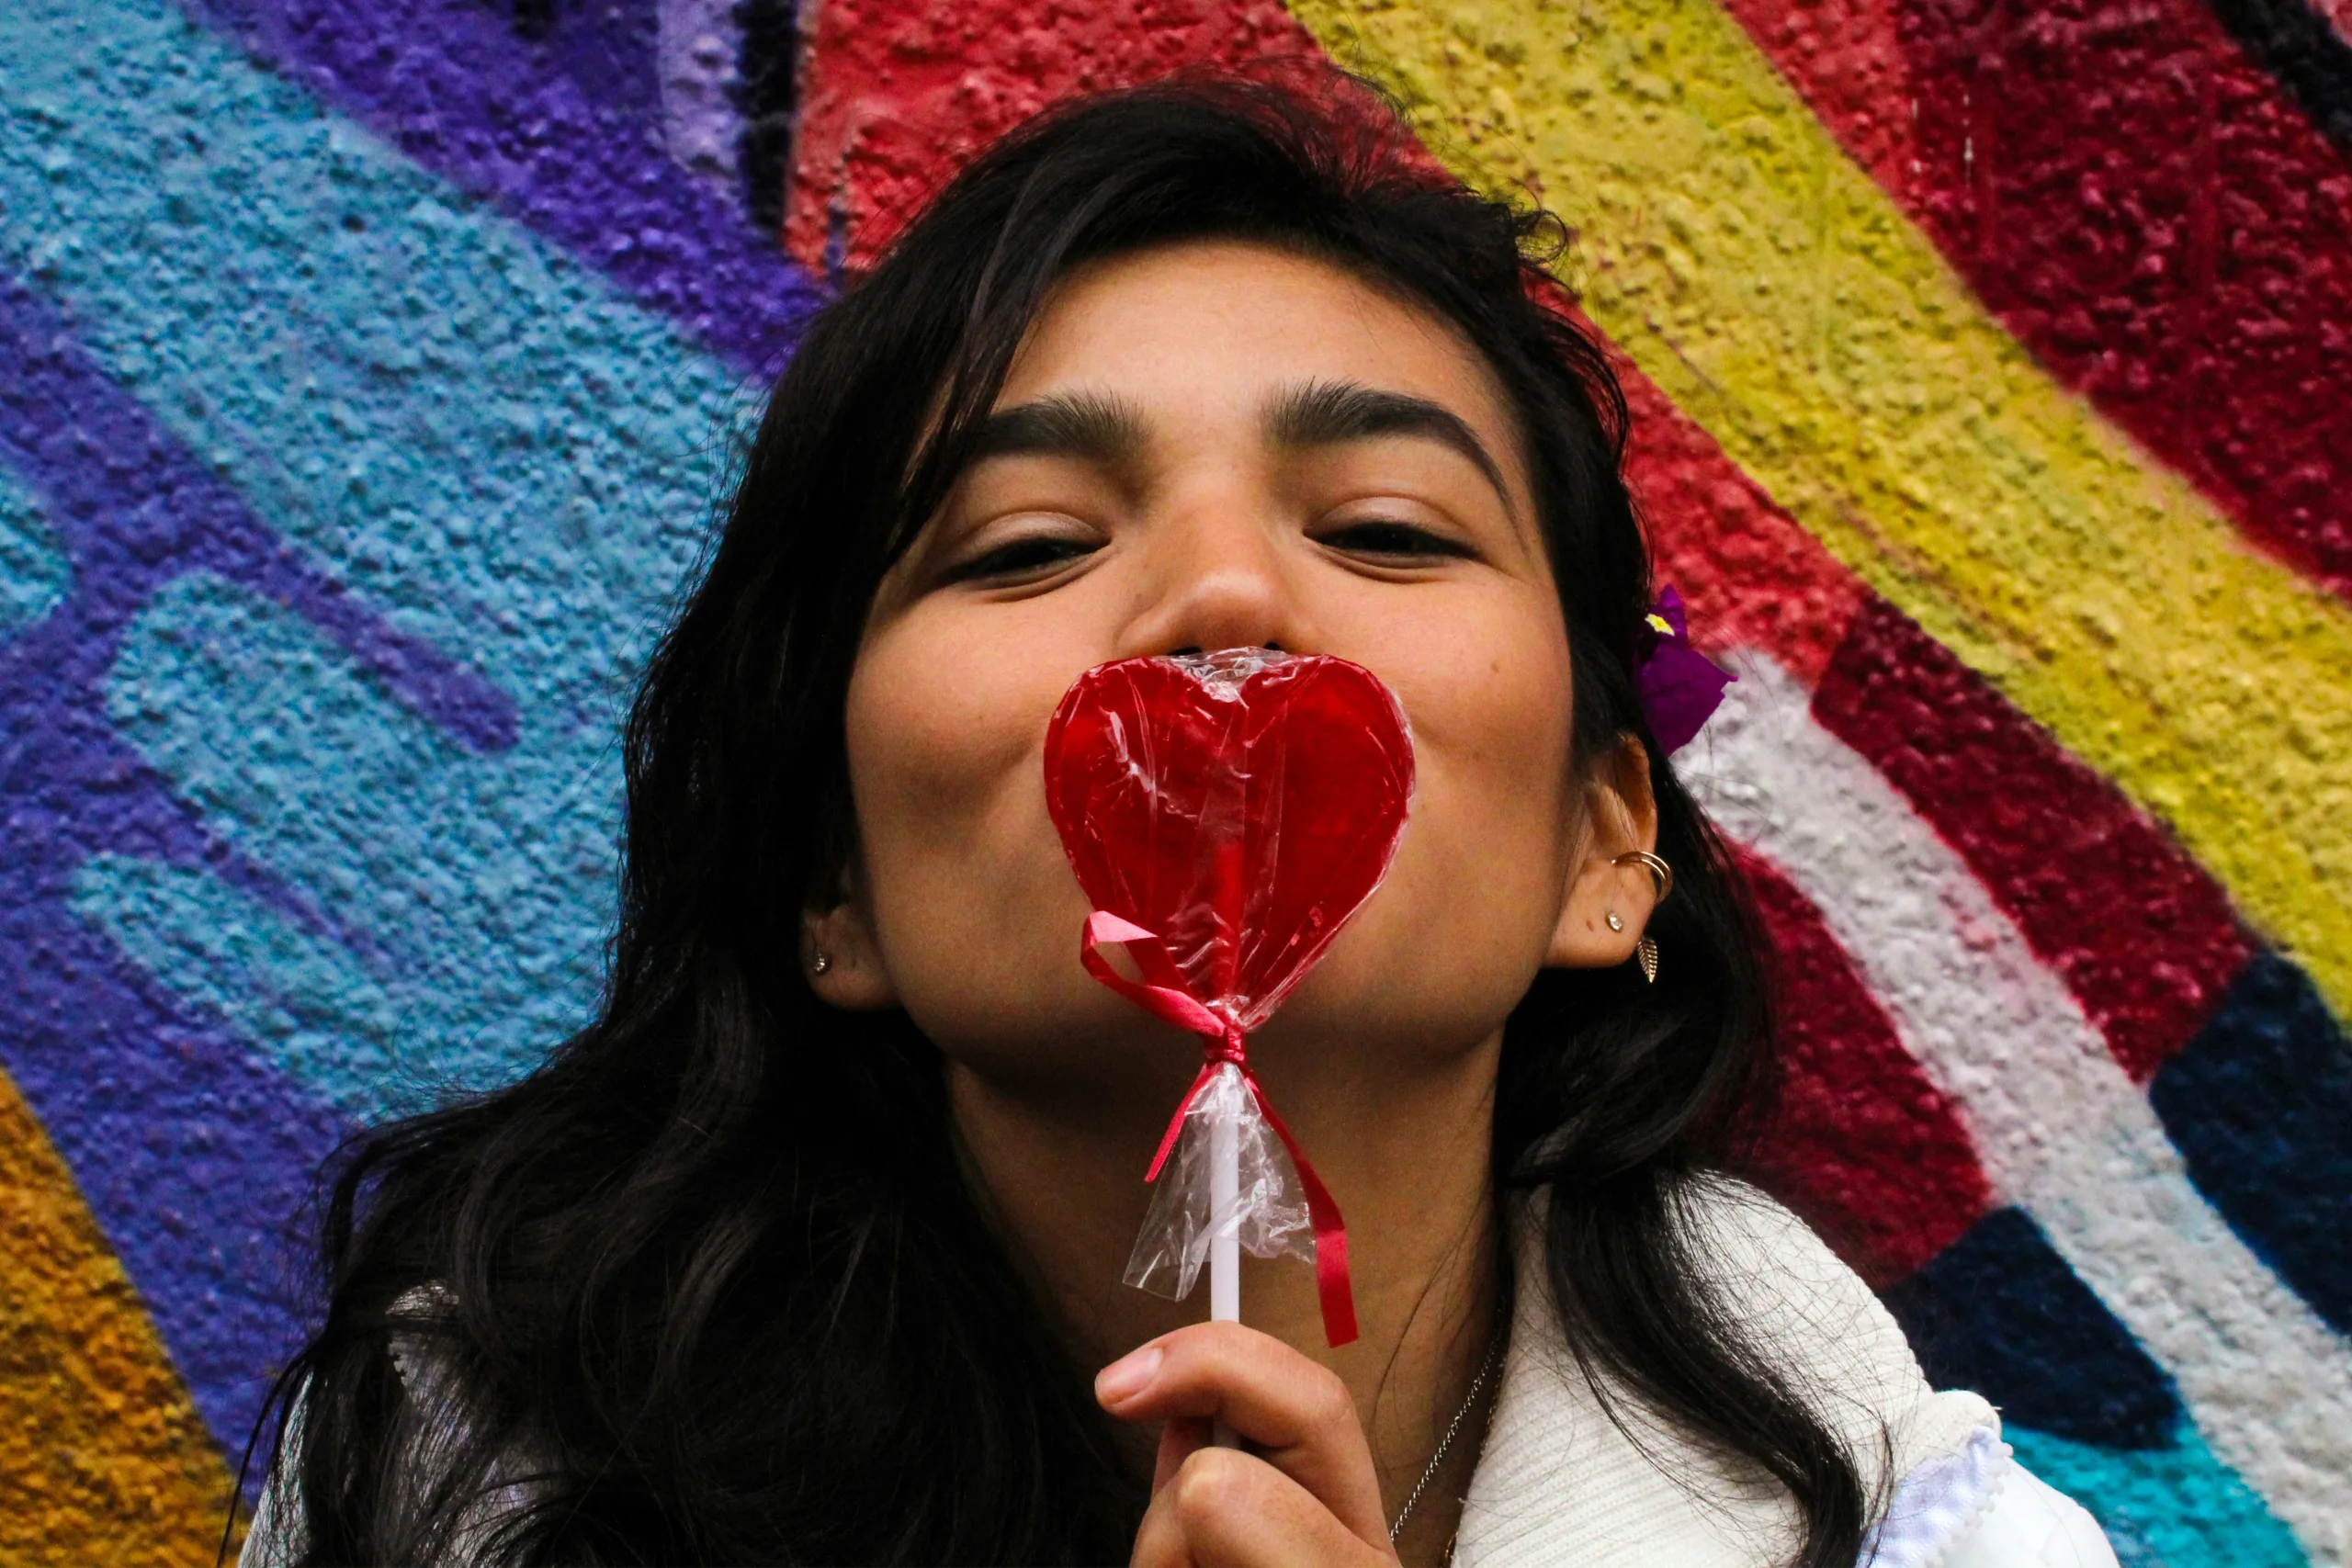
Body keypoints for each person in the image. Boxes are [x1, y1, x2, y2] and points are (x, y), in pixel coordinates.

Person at [240, 74, 2118, 1567]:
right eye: (1031, 545)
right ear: (836, 887)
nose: (1223, 602)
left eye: (1381, 529)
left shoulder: (1907, 1526)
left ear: (1601, 846)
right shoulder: (476, 1490)